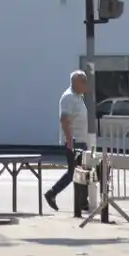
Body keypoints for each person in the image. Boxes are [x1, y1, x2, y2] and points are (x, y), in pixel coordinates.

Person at [44, 70, 90, 216]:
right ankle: (52, 193)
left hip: (81, 141)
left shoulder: (78, 97)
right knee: (74, 173)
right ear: (76, 82)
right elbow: (64, 119)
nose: (86, 85)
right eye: (83, 82)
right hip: (74, 141)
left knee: (83, 172)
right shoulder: (68, 97)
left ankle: (82, 201)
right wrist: (69, 139)